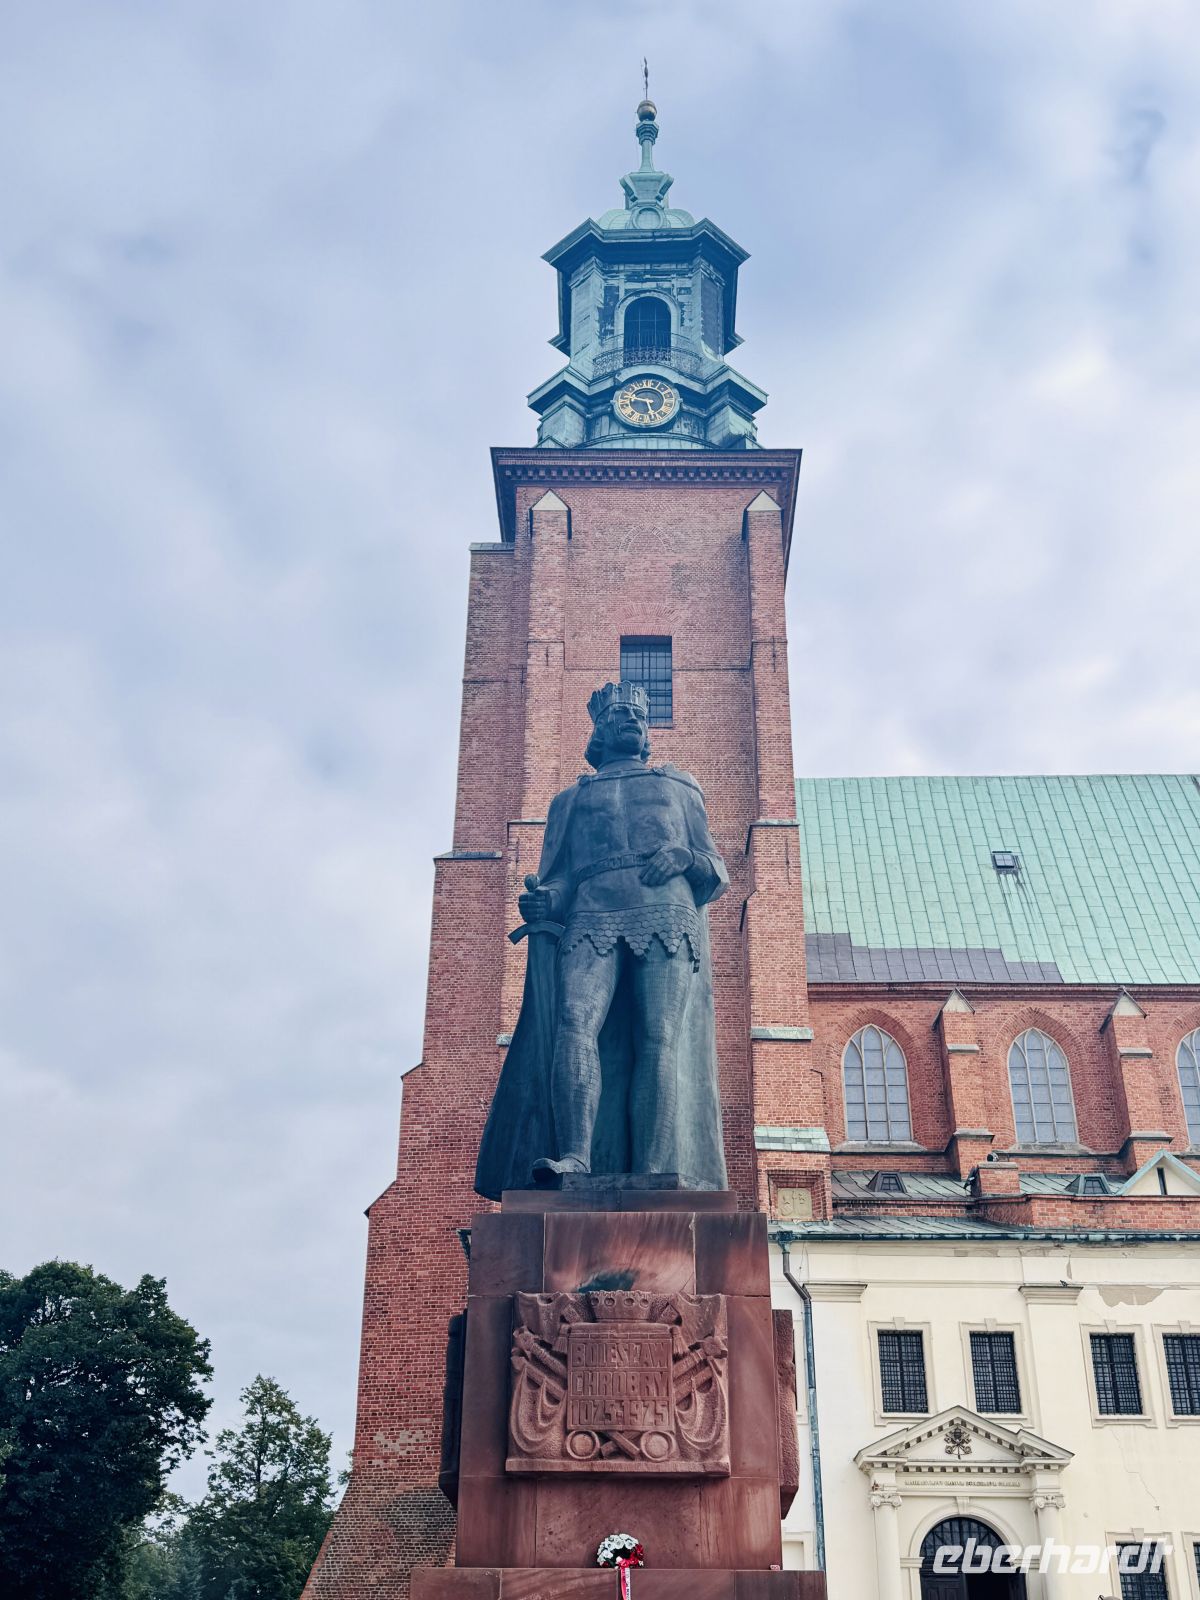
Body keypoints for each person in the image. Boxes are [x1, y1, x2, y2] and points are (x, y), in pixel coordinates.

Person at [475, 681, 729, 1198]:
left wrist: (686, 857)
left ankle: (654, 1166)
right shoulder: (570, 800)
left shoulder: (680, 787)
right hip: (593, 915)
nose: (630, 721)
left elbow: (716, 870)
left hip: (666, 912)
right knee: (574, 1023)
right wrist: (545, 900)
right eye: (618, 716)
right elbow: (560, 879)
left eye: (637, 716)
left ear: (647, 731)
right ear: (599, 731)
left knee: (658, 1036)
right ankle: (576, 1155)